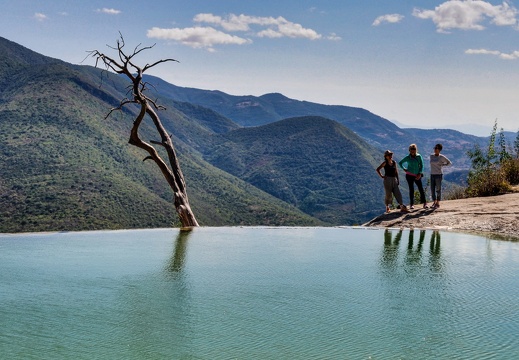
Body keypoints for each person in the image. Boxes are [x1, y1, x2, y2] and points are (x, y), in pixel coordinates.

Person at [398, 144, 428, 209]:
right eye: (411, 149)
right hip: (409, 175)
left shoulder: (419, 156)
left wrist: (420, 173)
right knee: (411, 189)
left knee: (421, 189)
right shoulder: (407, 157)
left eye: (414, 149)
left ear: (416, 150)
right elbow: (400, 163)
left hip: (417, 175)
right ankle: (411, 204)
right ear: (409, 150)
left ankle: (425, 203)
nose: (413, 150)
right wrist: (404, 169)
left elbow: (422, 165)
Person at [429, 143, 452, 208]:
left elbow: (449, 163)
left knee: (438, 189)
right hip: (432, 174)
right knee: (432, 189)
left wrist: (442, 165)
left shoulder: (441, 157)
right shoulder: (431, 156)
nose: (435, 149)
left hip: (438, 175)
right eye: (435, 148)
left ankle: (438, 203)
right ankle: (434, 201)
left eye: (437, 148)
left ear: (440, 150)